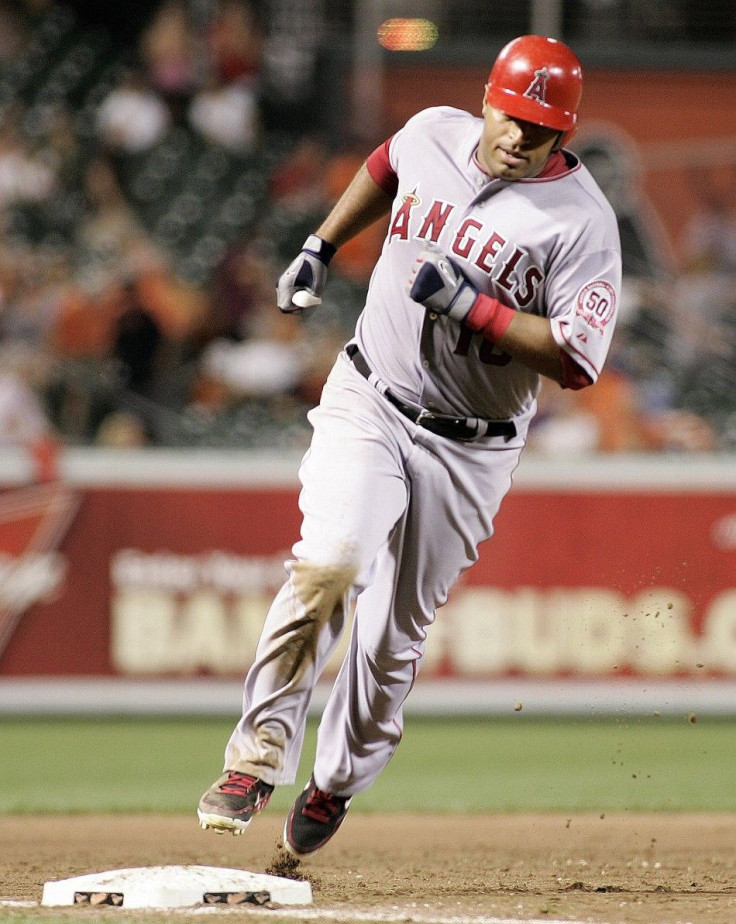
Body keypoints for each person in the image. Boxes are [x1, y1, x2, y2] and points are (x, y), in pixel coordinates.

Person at [197, 35, 622, 855]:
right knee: (331, 561)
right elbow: (384, 166)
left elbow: (577, 359)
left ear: (561, 135)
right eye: (509, 116)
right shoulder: (433, 131)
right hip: (370, 398)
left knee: (391, 640)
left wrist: (477, 308)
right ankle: (254, 759)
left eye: (538, 130)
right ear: (487, 98)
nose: (516, 138)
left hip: (471, 449)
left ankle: (335, 782)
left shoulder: (581, 222)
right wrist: (322, 245)